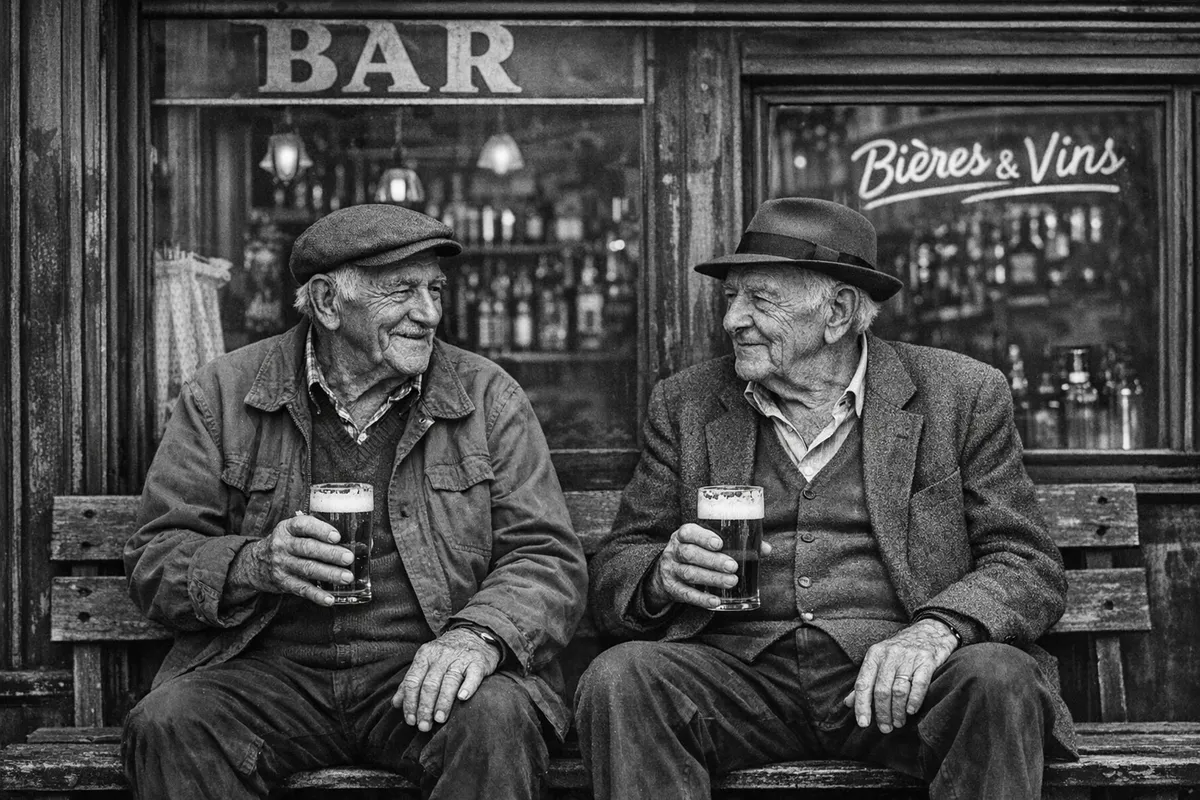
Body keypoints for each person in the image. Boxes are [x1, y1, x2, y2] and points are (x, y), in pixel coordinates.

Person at [575, 197, 1077, 799]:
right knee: (621, 678)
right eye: (731, 297)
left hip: (902, 680)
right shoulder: (686, 403)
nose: (732, 319)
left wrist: (936, 631)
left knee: (997, 678)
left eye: (759, 299)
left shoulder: (961, 396)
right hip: (740, 679)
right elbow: (618, 566)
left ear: (837, 312)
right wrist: (660, 576)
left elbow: (1027, 565)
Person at [123, 204, 587, 800]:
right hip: (273, 677)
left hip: (422, 671)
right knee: (170, 721)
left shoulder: (488, 397)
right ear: (326, 303)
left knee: (496, 716)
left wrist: (476, 637)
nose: (429, 314)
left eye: (435, 291)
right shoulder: (224, 393)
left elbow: (546, 556)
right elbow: (155, 558)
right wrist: (254, 564)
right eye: (403, 292)